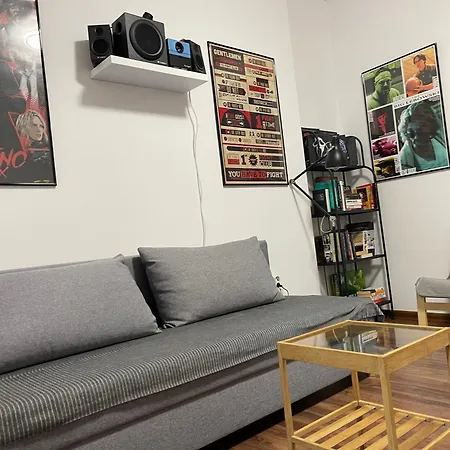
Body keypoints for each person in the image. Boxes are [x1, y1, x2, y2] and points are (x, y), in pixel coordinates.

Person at [398, 100, 449, 172]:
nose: (418, 137)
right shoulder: (404, 160)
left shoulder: (440, 137)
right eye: (413, 133)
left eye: (423, 128)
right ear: (406, 132)